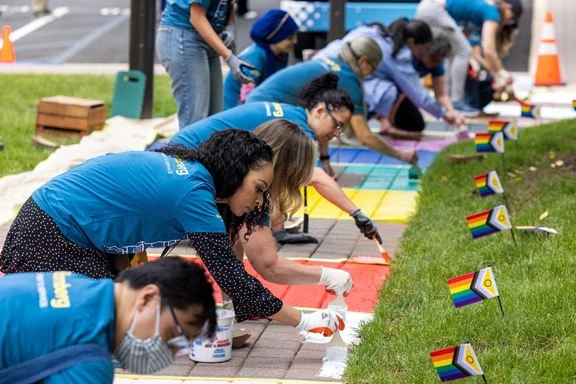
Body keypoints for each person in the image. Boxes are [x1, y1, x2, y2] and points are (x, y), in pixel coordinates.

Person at [0, 130, 343, 334]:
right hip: (51, 232)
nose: (259, 200)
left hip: (61, 225)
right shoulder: (194, 194)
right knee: (105, 325)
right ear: (235, 172)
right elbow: (234, 278)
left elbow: (124, 219)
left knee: (145, 312)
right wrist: (305, 323)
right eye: (258, 188)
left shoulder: (194, 176)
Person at [0, 257, 217, 380]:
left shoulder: (74, 282)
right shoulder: (89, 361)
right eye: (173, 334)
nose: (168, 355)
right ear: (148, 297)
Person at [247, 35, 417, 166]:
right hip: (266, 111)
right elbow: (365, 136)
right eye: (372, 69)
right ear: (363, 61)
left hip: (256, 102)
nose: (370, 75)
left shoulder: (335, 63)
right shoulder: (349, 79)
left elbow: (321, 121)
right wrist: (400, 155)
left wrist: (325, 160)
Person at [314, 20, 463, 141]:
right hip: (335, 75)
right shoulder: (398, 55)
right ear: (412, 42)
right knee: (385, 91)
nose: (422, 53)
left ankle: (351, 125)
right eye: (423, 48)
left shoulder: (377, 32)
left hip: (324, 64)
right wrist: (445, 114)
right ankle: (349, 127)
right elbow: (417, 94)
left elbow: (409, 90)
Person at [157, 0, 256, 129]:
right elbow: (196, 17)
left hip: (207, 37)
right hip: (183, 36)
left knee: (214, 119)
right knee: (195, 122)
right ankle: (185, 149)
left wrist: (230, 27)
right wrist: (229, 57)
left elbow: (229, 3)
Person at [416, 0, 523, 116]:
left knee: (452, 53)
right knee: (463, 51)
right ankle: (456, 100)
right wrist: (499, 73)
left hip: (427, 7)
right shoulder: (492, 12)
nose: (509, 22)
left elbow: (475, 52)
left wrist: (494, 73)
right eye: (512, 18)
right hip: (435, 9)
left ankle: (446, 100)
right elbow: (488, 50)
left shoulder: (475, 18)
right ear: (508, 7)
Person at [223, 9, 299, 110]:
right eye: (289, 37)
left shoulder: (280, 54)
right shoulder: (253, 61)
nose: (295, 41)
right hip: (235, 109)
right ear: (275, 37)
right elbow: (246, 102)